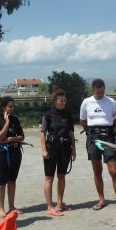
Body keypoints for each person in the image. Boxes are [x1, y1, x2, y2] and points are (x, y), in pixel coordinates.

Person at [79, 78, 116, 214]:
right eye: (97, 92)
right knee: (97, 169)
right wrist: (91, 134)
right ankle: (102, 199)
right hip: (93, 138)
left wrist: (112, 131)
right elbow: (83, 121)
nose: (100, 94)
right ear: (93, 90)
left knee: (114, 170)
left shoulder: (111, 102)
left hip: (108, 138)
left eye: (102, 91)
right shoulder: (86, 102)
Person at [40, 89, 76, 217]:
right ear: (55, 101)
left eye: (65, 100)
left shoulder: (68, 115)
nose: (63, 102)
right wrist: (44, 150)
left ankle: (60, 204)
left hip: (65, 148)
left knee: (62, 176)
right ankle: (50, 206)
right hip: (51, 148)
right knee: (49, 178)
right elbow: (43, 133)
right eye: (61, 101)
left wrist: (74, 149)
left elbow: (71, 133)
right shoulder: (48, 115)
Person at [0, 96, 25, 218]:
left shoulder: (16, 120)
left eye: (13, 106)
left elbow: (22, 136)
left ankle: (11, 206)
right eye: (9, 106)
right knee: (2, 181)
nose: (12, 108)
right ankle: (1, 208)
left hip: (15, 151)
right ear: (4, 107)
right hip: (2, 152)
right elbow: (0, 137)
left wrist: (11, 138)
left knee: (12, 180)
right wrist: (6, 123)